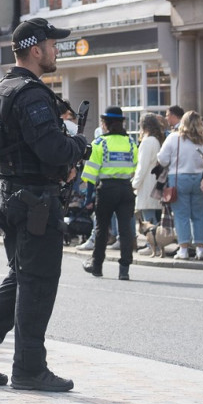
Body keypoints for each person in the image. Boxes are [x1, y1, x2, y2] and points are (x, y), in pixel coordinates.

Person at [0, 18, 89, 392]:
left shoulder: (3, 88)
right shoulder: (31, 94)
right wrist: (78, 145)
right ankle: (29, 368)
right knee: (38, 284)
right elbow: (53, 149)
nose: (56, 50)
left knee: (21, 277)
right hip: (35, 202)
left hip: (12, 196)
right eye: (52, 45)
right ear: (35, 49)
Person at [82, 107, 138, 280]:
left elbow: (91, 174)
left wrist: (88, 198)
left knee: (102, 229)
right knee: (126, 230)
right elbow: (135, 166)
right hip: (126, 188)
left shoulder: (100, 143)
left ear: (105, 124)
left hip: (106, 189)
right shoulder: (131, 142)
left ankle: (97, 266)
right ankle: (124, 270)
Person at [157, 110, 203, 260]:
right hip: (200, 177)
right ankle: (200, 249)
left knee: (181, 215)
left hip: (178, 178)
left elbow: (162, 159)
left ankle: (184, 249)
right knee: (199, 215)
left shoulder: (174, 138)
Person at [132, 112, 165, 226]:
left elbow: (142, 166)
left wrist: (135, 184)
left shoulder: (147, 141)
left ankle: (153, 238)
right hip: (153, 182)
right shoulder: (156, 140)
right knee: (153, 219)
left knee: (149, 221)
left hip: (147, 184)